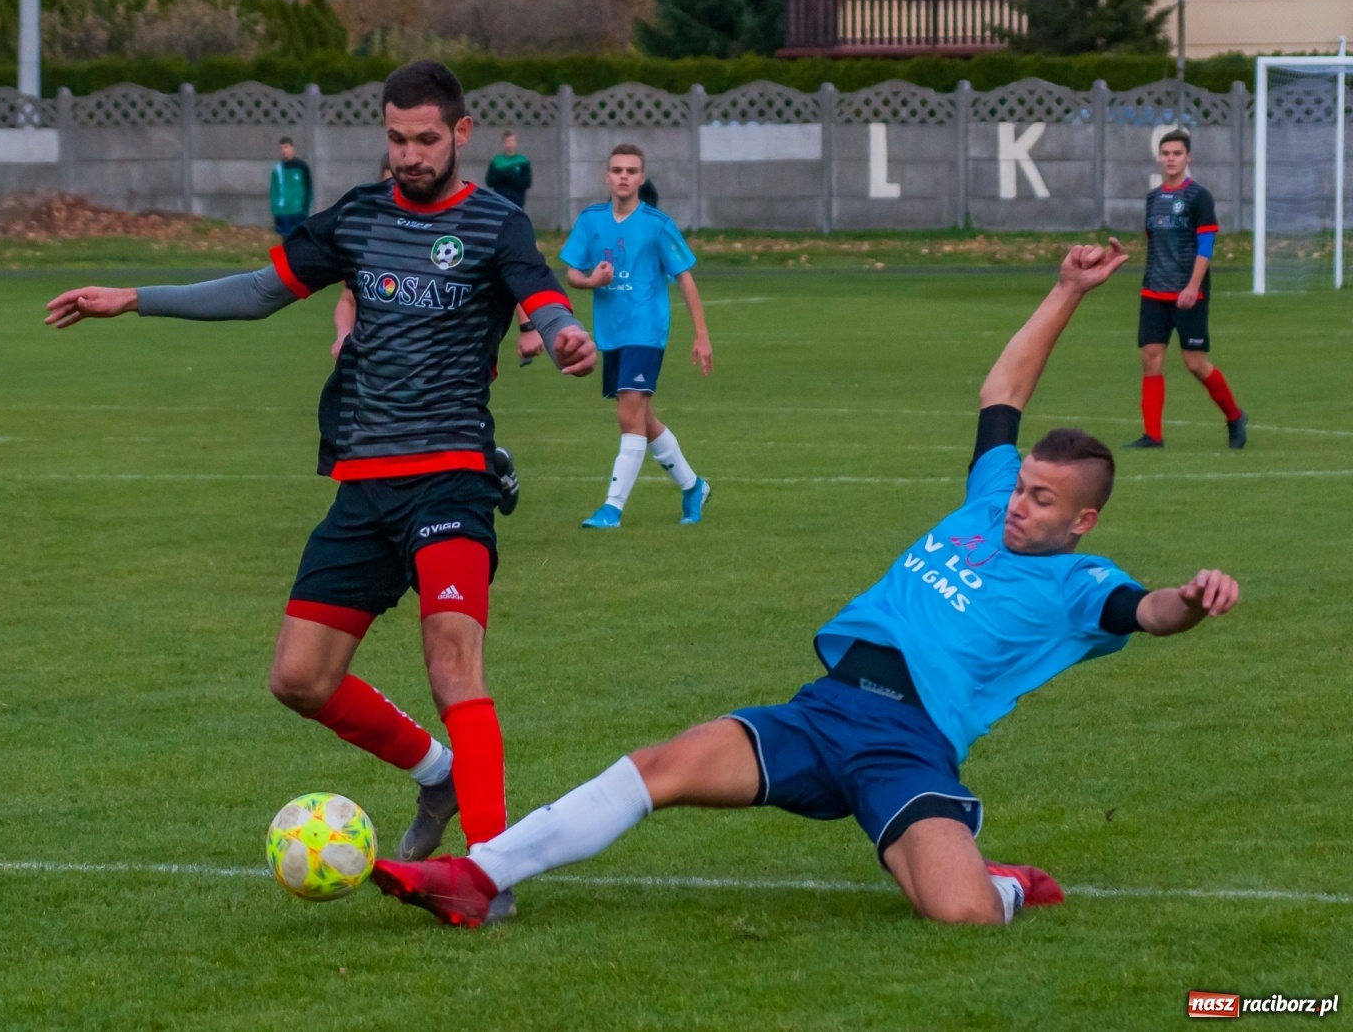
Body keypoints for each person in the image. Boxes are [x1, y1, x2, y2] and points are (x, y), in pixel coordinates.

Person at [369, 238, 1242, 929]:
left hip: (908, 747)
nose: (1018, 504)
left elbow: (1151, 612)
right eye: (1020, 486)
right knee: (661, 765)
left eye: (1041, 499)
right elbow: (1004, 387)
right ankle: (476, 878)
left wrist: (1192, 599)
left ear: (1081, 522)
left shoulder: (1085, 584)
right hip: (823, 709)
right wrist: (1068, 291)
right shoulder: (987, 501)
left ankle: (999, 882)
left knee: (962, 914)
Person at [43, 61, 598, 926]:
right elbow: (262, 291)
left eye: (424, 139)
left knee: (454, 659)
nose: (408, 155)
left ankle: (488, 873)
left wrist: (565, 335)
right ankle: (439, 777)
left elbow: (543, 297)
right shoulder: (360, 216)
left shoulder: (495, 223)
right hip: (363, 486)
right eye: (395, 138)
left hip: (451, 475)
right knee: (299, 678)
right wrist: (135, 298)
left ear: (461, 133)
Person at [560, 143, 712, 528]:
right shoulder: (591, 221)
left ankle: (612, 508)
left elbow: (685, 278)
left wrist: (701, 334)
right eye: (617, 170)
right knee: (643, 419)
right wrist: (591, 280)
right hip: (612, 334)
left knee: (628, 416)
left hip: (646, 331)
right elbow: (572, 273)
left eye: (631, 170)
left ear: (641, 178)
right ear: (606, 176)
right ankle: (693, 487)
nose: (623, 176)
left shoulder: (658, 225)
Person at [1127, 130, 1247, 450]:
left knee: (1194, 362)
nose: (1171, 158)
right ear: (1159, 157)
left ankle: (1235, 417)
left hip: (1188, 293)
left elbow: (1206, 244)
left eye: (1177, 153)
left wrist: (1192, 286)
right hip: (1153, 291)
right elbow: (1155, 243)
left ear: (1188, 158)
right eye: (1166, 153)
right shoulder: (1153, 199)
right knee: (1151, 358)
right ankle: (1152, 436)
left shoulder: (1198, 197)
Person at [331, 155, 395, 359]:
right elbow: (347, 300)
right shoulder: (368, 241)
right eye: (387, 187)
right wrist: (342, 336)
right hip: (369, 363)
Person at [270, 137, 314, 244]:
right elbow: (273, 192)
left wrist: (305, 207)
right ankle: (283, 261)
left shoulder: (302, 167)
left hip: (299, 211)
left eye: (286, 147)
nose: (284, 150)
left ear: (292, 148)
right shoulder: (278, 169)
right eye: (282, 148)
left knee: (300, 241)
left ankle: (299, 260)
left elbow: (309, 188)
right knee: (286, 240)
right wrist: (276, 211)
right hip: (283, 212)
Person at [485, 130, 532, 210]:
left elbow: (527, 182)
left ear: (516, 143)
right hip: (500, 201)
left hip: (517, 202)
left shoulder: (522, 160)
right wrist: (503, 176)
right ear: (503, 143)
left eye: (512, 141)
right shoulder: (497, 161)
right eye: (507, 141)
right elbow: (489, 182)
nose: (510, 144)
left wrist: (508, 175)